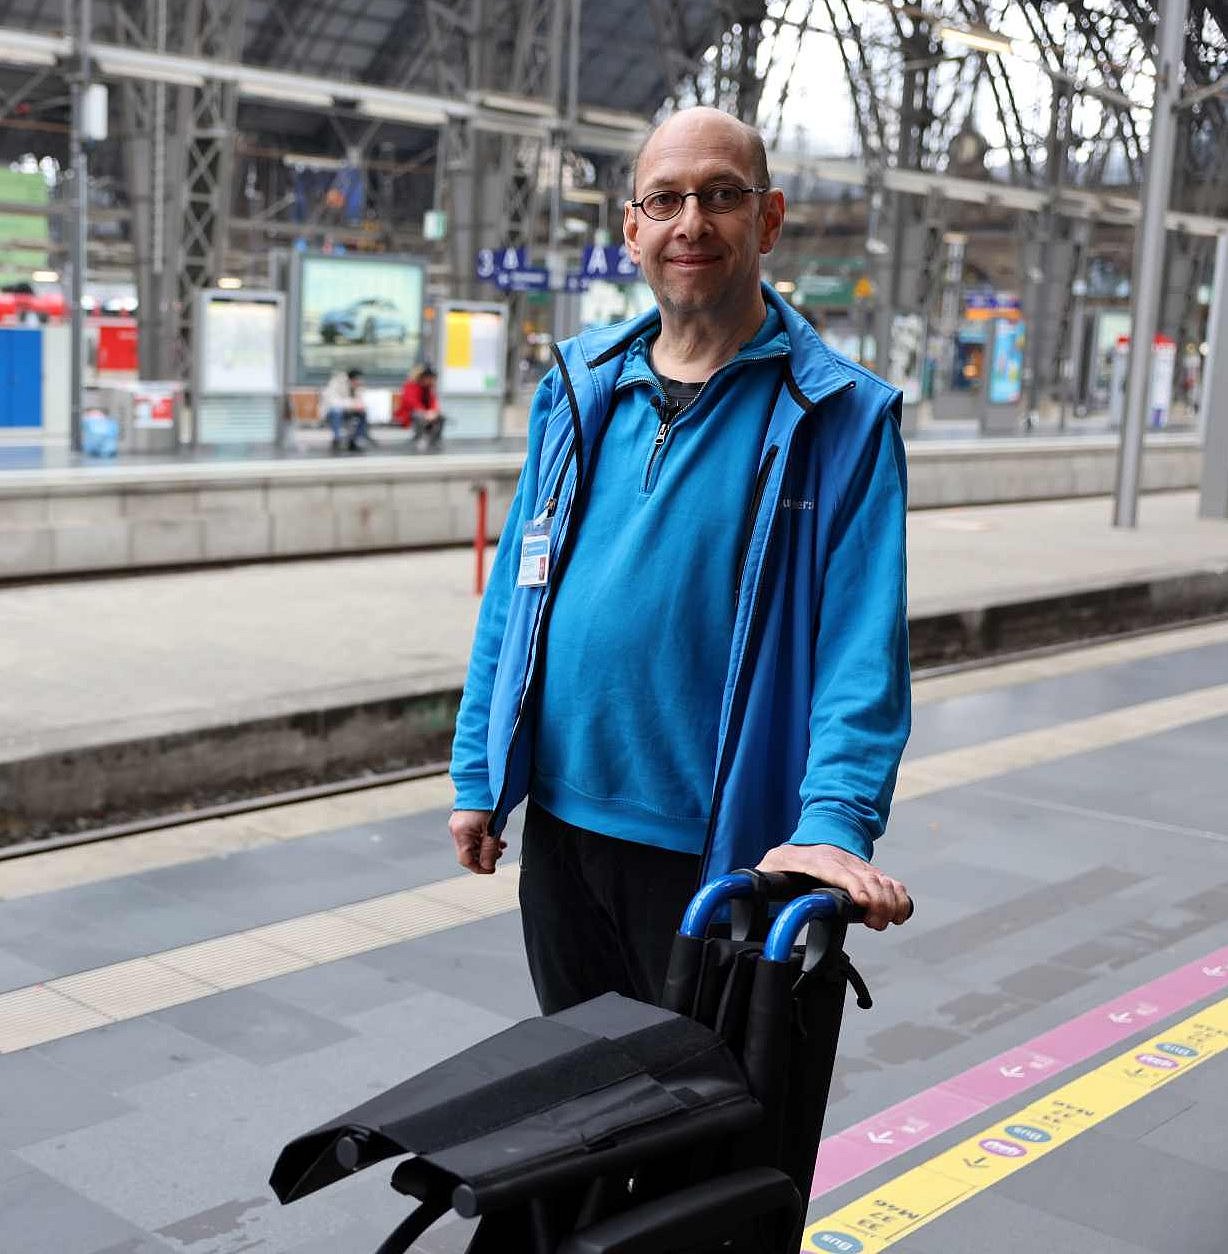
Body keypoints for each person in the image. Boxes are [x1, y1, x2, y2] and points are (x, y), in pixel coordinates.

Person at [449, 107, 912, 1015]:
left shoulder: (840, 418)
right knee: (581, 1113)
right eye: (664, 200)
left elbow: (861, 657)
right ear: (632, 229)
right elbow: (517, 588)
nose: (690, 223)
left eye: (721, 196)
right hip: (564, 841)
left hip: (724, 860)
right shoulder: (577, 389)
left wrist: (832, 827)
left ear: (768, 220)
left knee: (704, 1139)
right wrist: (480, 772)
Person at [394, 364, 444, 450]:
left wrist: (434, 412)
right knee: (419, 416)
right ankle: (420, 438)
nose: (430, 380)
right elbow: (411, 402)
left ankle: (434, 440)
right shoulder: (410, 386)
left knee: (441, 417)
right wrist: (425, 413)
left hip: (426, 413)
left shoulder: (429, 388)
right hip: (408, 414)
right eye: (428, 378)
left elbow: (434, 402)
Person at [320, 367, 370, 452]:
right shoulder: (336, 383)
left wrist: (358, 405)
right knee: (336, 412)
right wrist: (352, 404)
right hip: (332, 412)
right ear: (352, 379)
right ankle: (337, 438)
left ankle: (355, 440)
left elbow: (361, 401)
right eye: (357, 380)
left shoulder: (358, 387)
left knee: (363, 414)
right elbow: (333, 402)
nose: (359, 382)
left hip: (348, 412)